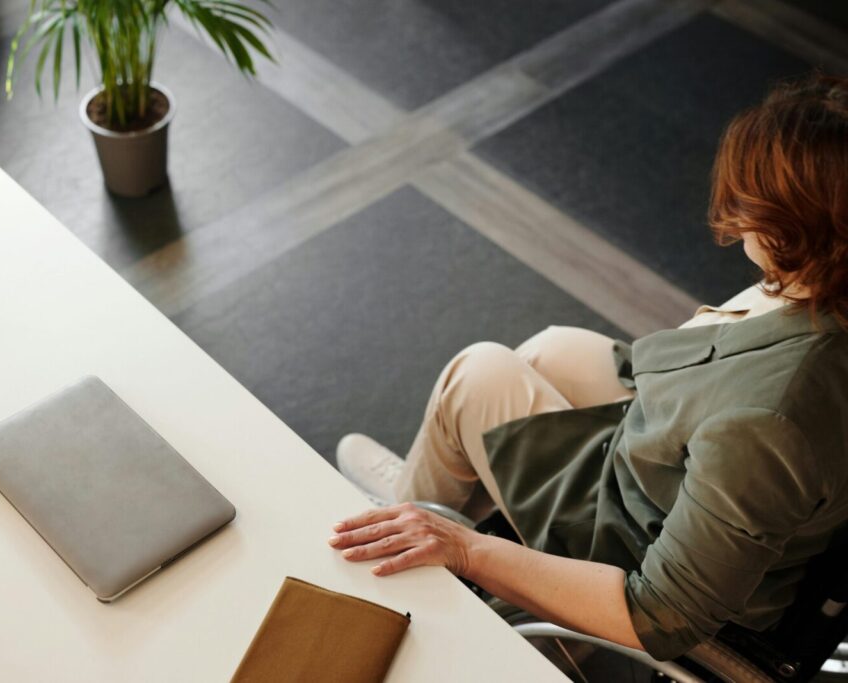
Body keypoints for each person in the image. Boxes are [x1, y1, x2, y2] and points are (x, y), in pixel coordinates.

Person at [329, 72, 848, 661]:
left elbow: (664, 614)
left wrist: (468, 549)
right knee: (551, 349)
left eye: (754, 203)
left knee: (476, 375)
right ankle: (421, 504)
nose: (738, 212)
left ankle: (412, 534)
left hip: (639, 542)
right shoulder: (827, 292)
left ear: (799, 230)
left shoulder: (767, 423)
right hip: (691, 468)